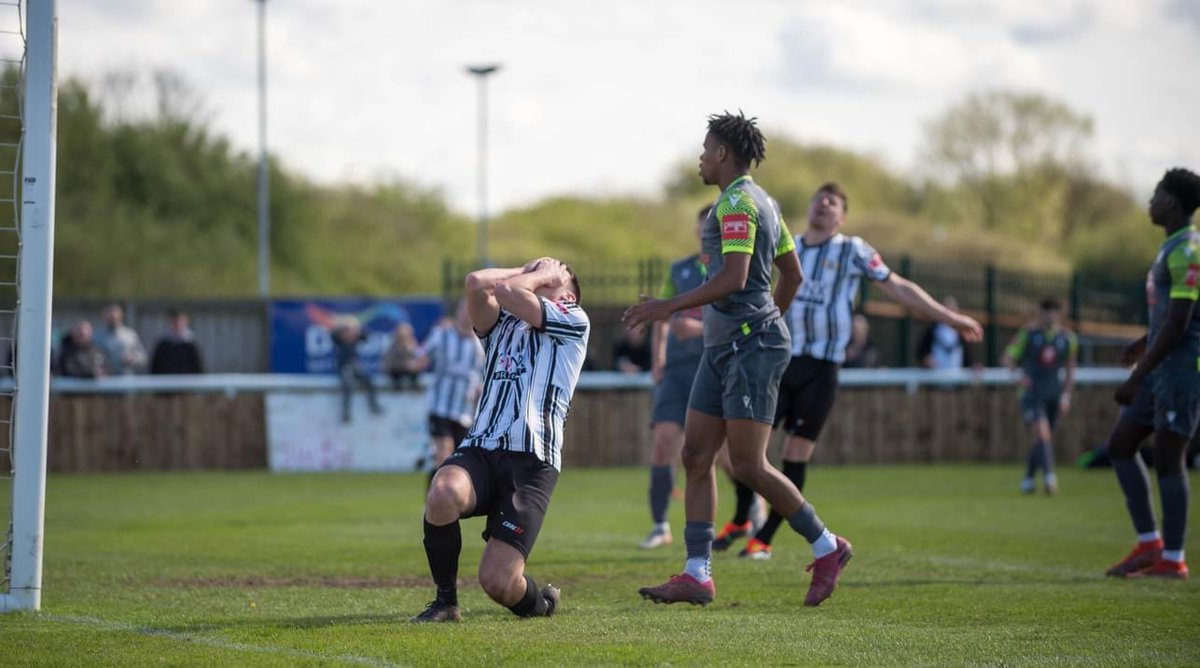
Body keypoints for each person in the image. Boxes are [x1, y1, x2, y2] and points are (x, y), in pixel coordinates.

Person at [624, 111, 849, 608]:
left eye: (706, 148)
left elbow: (733, 276)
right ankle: (697, 574)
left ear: (723, 153)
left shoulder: (738, 205)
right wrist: (769, 317)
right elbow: (791, 276)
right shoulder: (763, 202)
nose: (701, 157)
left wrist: (668, 306)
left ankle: (827, 545)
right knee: (695, 456)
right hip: (725, 347)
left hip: (749, 349)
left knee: (748, 464)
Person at [738, 182, 983, 562]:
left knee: (795, 452)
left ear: (842, 217)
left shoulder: (853, 250)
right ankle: (747, 513)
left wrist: (949, 318)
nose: (823, 204)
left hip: (822, 369)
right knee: (743, 447)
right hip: (780, 360)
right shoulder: (789, 245)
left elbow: (898, 287)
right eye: (818, 198)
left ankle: (764, 538)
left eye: (832, 202)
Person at [413, 257, 589, 623]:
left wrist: (536, 276)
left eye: (552, 279)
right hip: (482, 446)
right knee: (443, 491)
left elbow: (508, 291)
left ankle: (541, 604)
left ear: (568, 295)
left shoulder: (573, 320)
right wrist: (531, 270)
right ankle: (446, 603)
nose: (540, 280)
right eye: (536, 275)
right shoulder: (502, 324)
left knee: (498, 583)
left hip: (531, 462)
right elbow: (476, 282)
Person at [1103, 168, 1200, 581]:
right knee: (1121, 445)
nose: (1151, 201)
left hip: (1181, 371)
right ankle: (1149, 543)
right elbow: (1170, 318)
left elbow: (1181, 324)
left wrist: (1137, 374)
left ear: (1172, 203)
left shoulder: (1188, 251)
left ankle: (1173, 558)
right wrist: (1144, 341)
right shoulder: (1171, 248)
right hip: (1161, 366)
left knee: (1168, 458)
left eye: (1157, 194)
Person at [1002, 297, 1078, 495]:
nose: (1049, 315)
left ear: (1059, 314)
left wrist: (1066, 396)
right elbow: (1008, 357)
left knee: (1042, 439)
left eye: (1053, 310)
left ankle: (1028, 478)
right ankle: (1049, 477)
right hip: (1031, 393)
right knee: (1042, 434)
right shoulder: (1028, 333)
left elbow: (1070, 370)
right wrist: (1018, 375)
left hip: (1054, 392)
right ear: (1039, 312)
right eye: (1046, 310)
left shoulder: (1068, 338)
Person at [418, 301, 485, 485]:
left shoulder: (480, 344)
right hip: (440, 406)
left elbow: (485, 374)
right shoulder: (442, 335)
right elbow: (421, 356)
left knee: (457, 462)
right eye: (463, 311)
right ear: (457, 313)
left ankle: (443, 502)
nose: (466, 315)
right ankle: (433, 504)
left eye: (470, 311)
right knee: (443, 454)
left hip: (465, 411)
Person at [332, 316, 383, 424]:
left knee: (368, 380)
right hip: (343, 365)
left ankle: (373, 405)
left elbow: (367, 335)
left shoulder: (355, 337)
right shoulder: (339, 337)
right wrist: (342, 327)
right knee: (347, 385)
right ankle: (346, 413)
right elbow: (333, 335)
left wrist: (356, 329)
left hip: (354, 365)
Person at [918, 296, 976, 369]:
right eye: (947, 310)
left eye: (952, 310)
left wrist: (972, 366)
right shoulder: (932, 330)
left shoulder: (961, 333)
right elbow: (921, 351)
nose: (949, 314)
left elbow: (967, 357)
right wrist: (926, 358)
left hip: (955, 377)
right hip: (935, 377)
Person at [95, 303, 147, 375]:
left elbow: (143, 358)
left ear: (121, 315)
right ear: (104, 315)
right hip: (105, 382)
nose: (113, 315)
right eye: (109, 312)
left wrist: (132, 359)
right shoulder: (97, 337)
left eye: (115, 312)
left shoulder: (130, 335)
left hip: (126, 381)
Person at [150, 308, 205, 374]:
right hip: (166, 382)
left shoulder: (191, 344)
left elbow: (198, 367)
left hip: (187, 382)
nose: (177, 324)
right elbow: (155, 366)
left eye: (180, 321)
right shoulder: (163, 344)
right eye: (174, 321)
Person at [384, 322, 422, 391]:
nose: (406, 335)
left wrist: (416, 363)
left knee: (414, 371)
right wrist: (405, 364)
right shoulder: (393, 345)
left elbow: (419, 357)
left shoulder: (413, 344)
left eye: (408, 332)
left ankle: (414, 390)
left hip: (410, 370)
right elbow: (390, 362)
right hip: (395, 370)